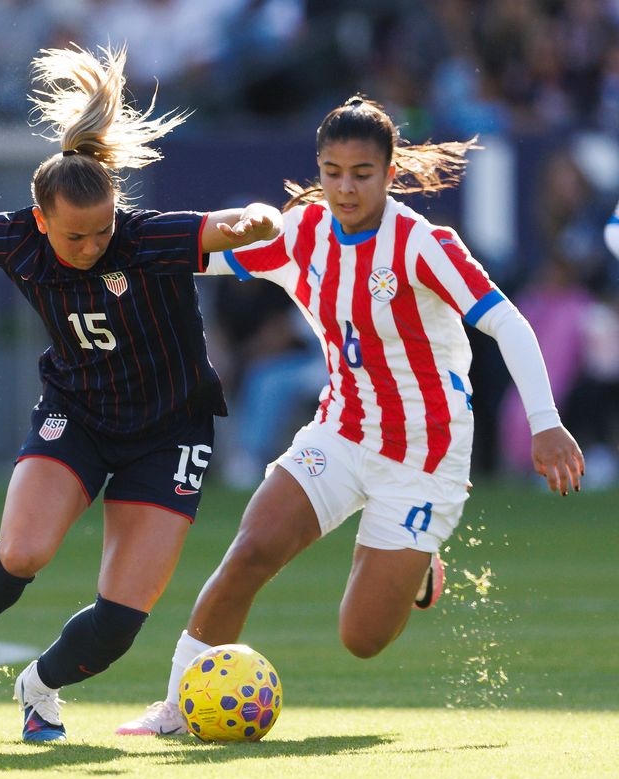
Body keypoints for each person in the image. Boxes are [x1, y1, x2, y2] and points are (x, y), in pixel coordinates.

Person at [116, 96, 586, 737]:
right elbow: (206, 252)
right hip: (340, 431)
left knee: (361, 638)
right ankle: (174, 705)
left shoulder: (424, 244)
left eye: (362, 173)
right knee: (250, 550)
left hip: (424, 455)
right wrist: (119, 249)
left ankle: (417, 568)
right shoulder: (303, 234)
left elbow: (507, 321)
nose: (345, 186)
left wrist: (545, 420)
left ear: (390, 173)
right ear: (319, 168)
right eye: (333, 171)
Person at [0, 43, 281, 742]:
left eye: (103, 230)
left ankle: (40, 688)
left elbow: (224, 227)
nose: (92, 246)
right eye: (76, 236)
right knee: (22, 552)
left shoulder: (147, 239)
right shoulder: (15, 239)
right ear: (40, 217)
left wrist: (260, 218)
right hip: (77, 415)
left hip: (171, 429)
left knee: (121, 619)